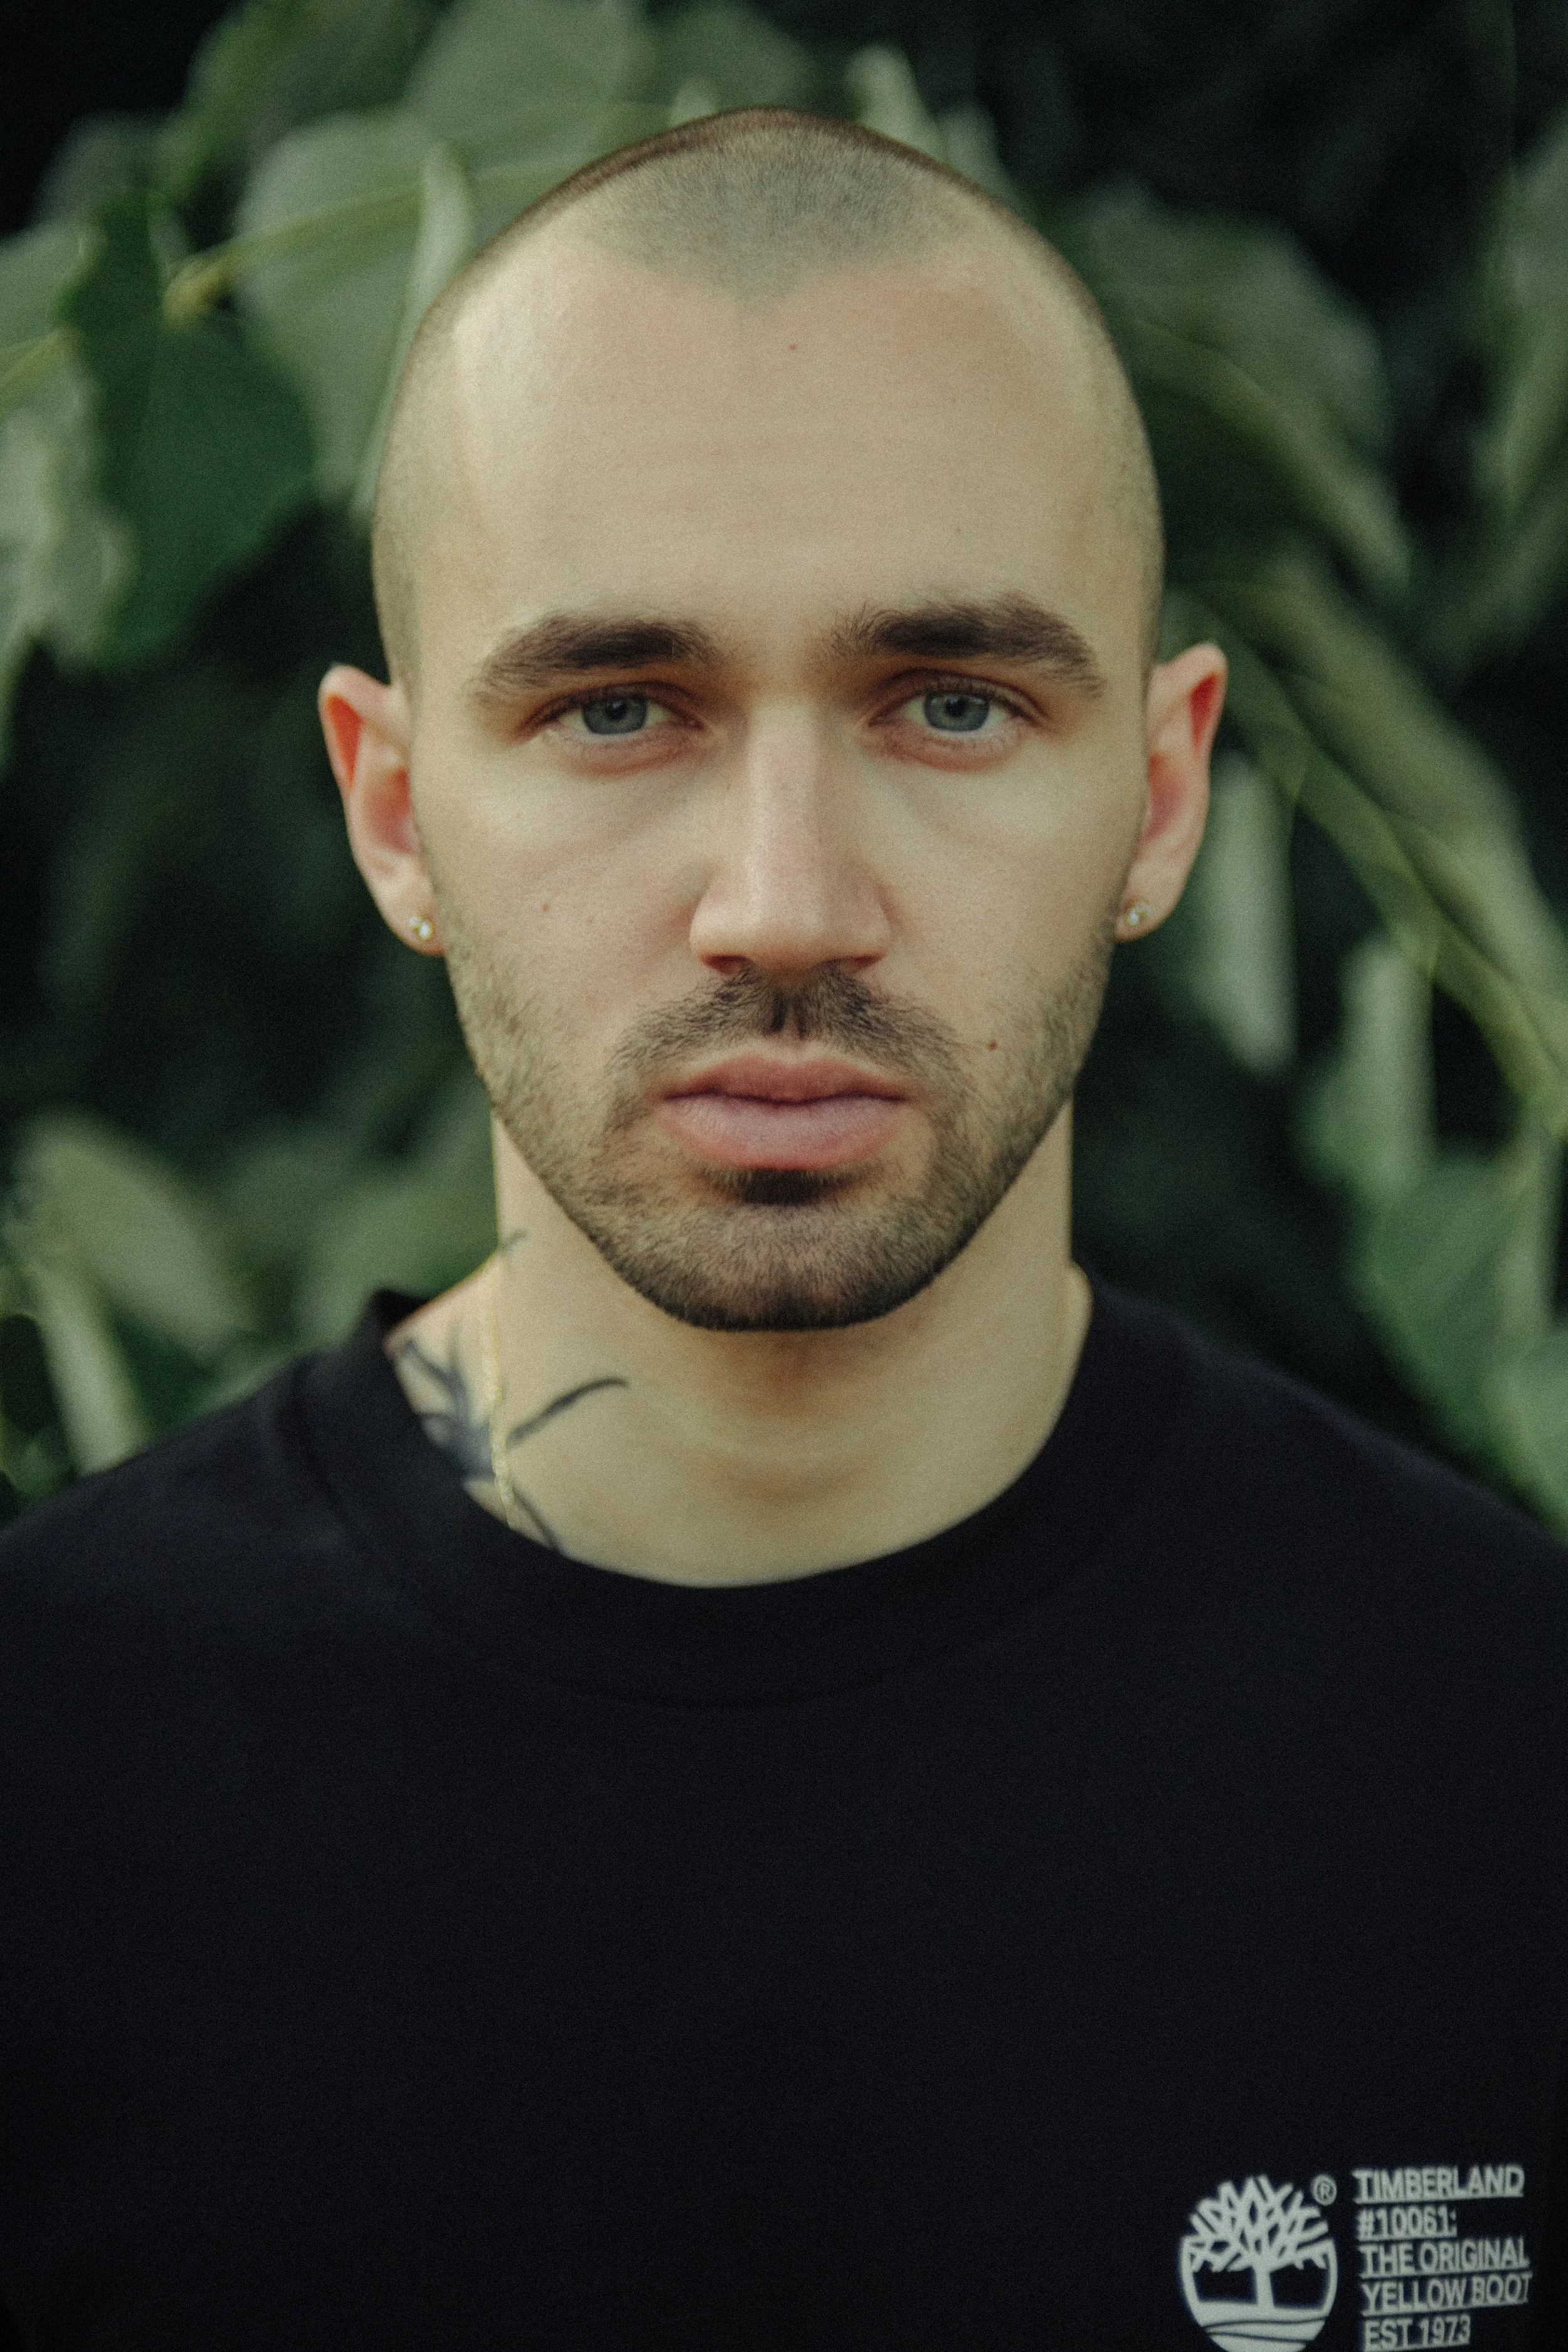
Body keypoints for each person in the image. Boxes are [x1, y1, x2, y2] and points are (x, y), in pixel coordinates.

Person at [1, 107, 1564, 2352]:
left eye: (951, 704)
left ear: (1157, 795)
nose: (784, 902)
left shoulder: (1504, 1765)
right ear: (395, 809)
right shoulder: (53, 1787)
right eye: (619, 708)